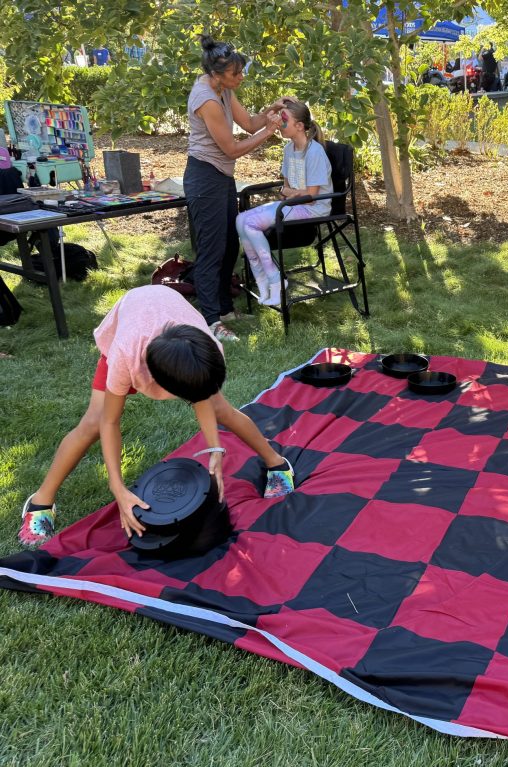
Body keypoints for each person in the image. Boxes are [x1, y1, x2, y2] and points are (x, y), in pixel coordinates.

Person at [18, 285, 296, 548]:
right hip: (134, 324)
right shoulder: (125, 356)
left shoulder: (206, 349)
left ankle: (277, 464)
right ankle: (41, 502)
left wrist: (215, 450)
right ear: (159, 385)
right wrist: (117, 486)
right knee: (92, 423)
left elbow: (203, 398)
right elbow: (110, 422)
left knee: (221, 409)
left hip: (167, 316)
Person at [185, 34, 286, 342]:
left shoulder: (224, 90)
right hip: (205, 177)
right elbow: (231, 149)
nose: (241, 77)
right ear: (217, 74)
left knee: (230, 244)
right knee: (211, 250)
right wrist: (270, 132)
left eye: (241, 71)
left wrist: (271, 110)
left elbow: (250, 124)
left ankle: (225, 308)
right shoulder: (207, 99)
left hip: (221, 177)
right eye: (235, 74)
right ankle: (211, 320)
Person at [235, 100, 332, 307]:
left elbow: (312, 195)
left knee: (250, 224)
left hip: (313, 208)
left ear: (299, 126)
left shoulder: (314, 152)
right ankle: (261, 280)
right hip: (294, 205)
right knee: (240, 219)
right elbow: (286, 188)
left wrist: (290, 193)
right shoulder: (289, 150)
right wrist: (289, 192)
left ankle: (274, 280)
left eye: (284, 119)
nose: (279, 123)